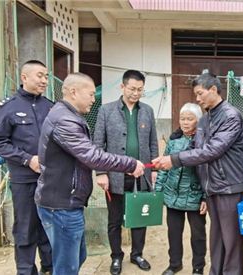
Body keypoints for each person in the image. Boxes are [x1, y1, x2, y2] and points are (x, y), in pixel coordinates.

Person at [35, 73, 145, 275]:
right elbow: (92, 155)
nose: (94, 99)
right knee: (67, 266)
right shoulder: (65, 120)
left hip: (68, 202)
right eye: (91, 94)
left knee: (77, 257)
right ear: (74, 92)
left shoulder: (68, 115)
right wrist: (130, 164)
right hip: (60, 205)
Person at [152, 73, 243, 275]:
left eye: (200, 93)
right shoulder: (206, 119)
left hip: (230, 186)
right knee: (217, 239)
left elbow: (212, 150)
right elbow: (196, 148)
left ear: (213, 90)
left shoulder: (231, 116)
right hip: (213, 186)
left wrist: (174, 159)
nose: (197, 98)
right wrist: (171, 151)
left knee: (231, 241)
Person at [0, 60, 54, 275]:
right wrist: (27, 159)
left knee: (48, 226)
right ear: (24, 77)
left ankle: (50, 267)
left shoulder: (50, 107)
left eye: (46, 76)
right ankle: (25, 270)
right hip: (24, 180)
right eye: (39, 76)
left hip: (50, 180)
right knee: (25, 227)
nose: (44, 80)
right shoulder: (9, 107)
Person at [92, 69, 159, 275]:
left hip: (142, 174)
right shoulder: (106, 110)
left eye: (140, 90)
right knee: (114, 219)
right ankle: (116, 256)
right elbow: (98, 143)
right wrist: (101, 172)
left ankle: (137, 254)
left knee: (140, 215)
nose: (135, 93)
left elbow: (153, 142)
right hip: (114, 175)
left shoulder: (147, 110)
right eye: (132, 89)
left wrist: (154, 169)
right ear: (122, 87)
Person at [155, 103, 207, 275]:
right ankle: (174, 264)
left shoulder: (203, 142)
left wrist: (206, 197)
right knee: (174, 233)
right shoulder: (174, 139)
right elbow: (164, 167)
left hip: (195, 195)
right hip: (173, 195)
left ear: (198, 121)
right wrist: (159, 190)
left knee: (198, 236)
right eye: (182, 119)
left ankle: (198, 267)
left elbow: (208, 172)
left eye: (190, 119)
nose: (185, 122)